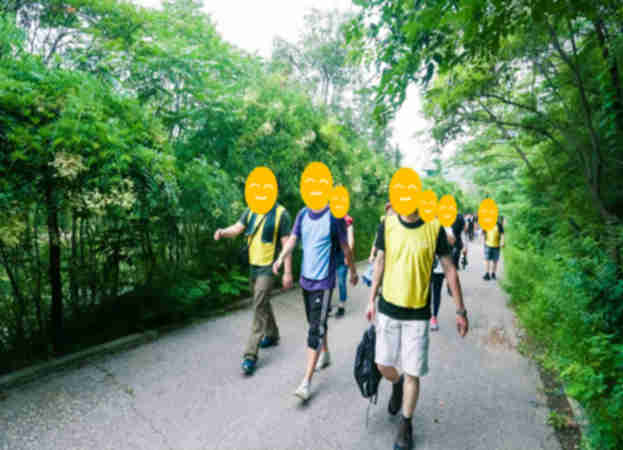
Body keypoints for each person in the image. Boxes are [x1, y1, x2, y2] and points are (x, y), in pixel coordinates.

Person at [366, 210, 468, 450]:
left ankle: (406, 424)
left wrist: (460, 311)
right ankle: (397, 383)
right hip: (388, 308)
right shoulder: (387, 224)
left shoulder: (434, 228)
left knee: (413, 371)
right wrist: (371, 299)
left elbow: (449, 268)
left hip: (418, 313)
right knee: (382, 364)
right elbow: (379, 261)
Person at [273, 205, 358, 401]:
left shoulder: (334, 217)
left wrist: (353, 271)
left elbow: (346, 247)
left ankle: (306, 382)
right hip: (306, 280)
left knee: (314, 330)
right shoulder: (302, 214)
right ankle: (325, 354)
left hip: (323, 282)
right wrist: (280, 258)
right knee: (316, 322)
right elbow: (293, 239)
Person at [214, 203, 293, 376]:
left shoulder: (281, 214)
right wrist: (222, 232)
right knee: (262, 302)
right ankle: (272, 335)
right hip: (253, 267)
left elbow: (286, 244)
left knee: (258, 306)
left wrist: (287, 272)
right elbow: (237, 228)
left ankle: (250, 355)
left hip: (269, 267)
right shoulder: (251, 210)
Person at [430, 226, 456, 331]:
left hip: (439, 267)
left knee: (436, 293)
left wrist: (441, 231)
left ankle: (434, 317)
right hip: (424, 265)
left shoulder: (445, 226)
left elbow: (452, 241)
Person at [334, 214, 354, 317]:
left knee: (341, 281)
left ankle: (341, 306)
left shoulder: (347, 221)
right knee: (329, 281)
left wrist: (347, 257)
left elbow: (351, 241)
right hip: (332, 256)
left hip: (343, 256)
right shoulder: (331, 217)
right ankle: (326, 304)